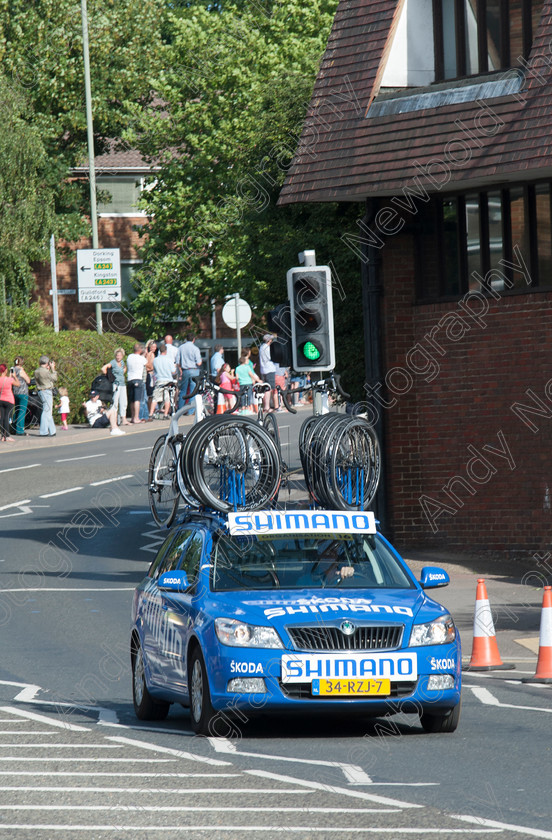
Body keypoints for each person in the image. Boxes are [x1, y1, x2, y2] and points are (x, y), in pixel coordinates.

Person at [149, 342, 177, 419]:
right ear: (166, 351)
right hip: (168, 381)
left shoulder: (155, 360)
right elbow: (173, 371)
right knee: (167, 398)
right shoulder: (169, 360)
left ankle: (151, 414)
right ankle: (165, 414)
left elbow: (154, 369)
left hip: (159, 380)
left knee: (155, 398)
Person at [102, 347, 129, 426]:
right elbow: (104, 368)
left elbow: (124, 368)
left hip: (122, 384)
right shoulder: (113, 362)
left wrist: (123, 372)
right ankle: (114, 420)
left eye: (120, 355)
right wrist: (108, 376)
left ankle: (123, 419)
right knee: (115, 402)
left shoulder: (122, 362)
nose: (118, 357)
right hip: (116, 384)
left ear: (122, 356)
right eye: (117, 355)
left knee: (124, 402)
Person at [176, 332, 202, 414]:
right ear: (193, 339)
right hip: (194, 370)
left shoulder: (181, 348)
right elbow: (199, 363)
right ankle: (190, 411)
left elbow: (177, 362)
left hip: (185, 370)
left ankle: (180, 410)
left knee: (183, 390)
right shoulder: (195, 349)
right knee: (193, 391)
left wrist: (180, 370)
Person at [34, 355, 58, 436]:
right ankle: (43, 431)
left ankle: (52, 430)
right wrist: (53, 369)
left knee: (48, 411)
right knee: (46, 411)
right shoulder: (45, 371)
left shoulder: (37, 371)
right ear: (47, 363)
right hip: (47, 391)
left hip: (41, 391)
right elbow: (54, 378)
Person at [126, 343, 147, 424]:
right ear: (140, 350)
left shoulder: (129, 357)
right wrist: (145, 354)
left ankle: (132, 417)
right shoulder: (141, 358)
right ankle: (136, 418)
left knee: (131, 400)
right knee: (137, 400)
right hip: (138, 379)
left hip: (130, 379)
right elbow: (147, 363)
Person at [0, 363, 20, 442]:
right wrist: (14, 376)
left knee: (2, 418)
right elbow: (18, 384)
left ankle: (2, 436)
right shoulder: (9, 379)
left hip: (1, 400)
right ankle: (7, 435)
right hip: (9, 400)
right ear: (5, 371)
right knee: (7, 417)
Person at [13, 356, 31, 436]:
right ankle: (20, 430)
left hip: (15, 392)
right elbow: (28, 380)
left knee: (16, 410)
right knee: (22, 411)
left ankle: (13, 427)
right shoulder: (21, 370)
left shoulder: (12, 369)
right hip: (23, 392)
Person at [259, 334, 277, 412]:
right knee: (269, 388)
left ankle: (265, 406)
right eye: (271, 340)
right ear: (269, 340)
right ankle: (267, 406)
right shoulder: (267, 348)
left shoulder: (261, 347)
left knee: (266, 388)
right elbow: (271, 357)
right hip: (269, 369)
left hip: (263, 369)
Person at [145, 339, 158, 416]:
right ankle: (151, 411)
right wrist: (152, 368)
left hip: (150, 375)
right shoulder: (151, 354)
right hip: (150, 374)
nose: (154, 348)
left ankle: (150, 410)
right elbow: (148, 365)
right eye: (153, 347)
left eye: (155, 347)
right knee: (151, 395)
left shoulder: (149, 354)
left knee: (150, 395)